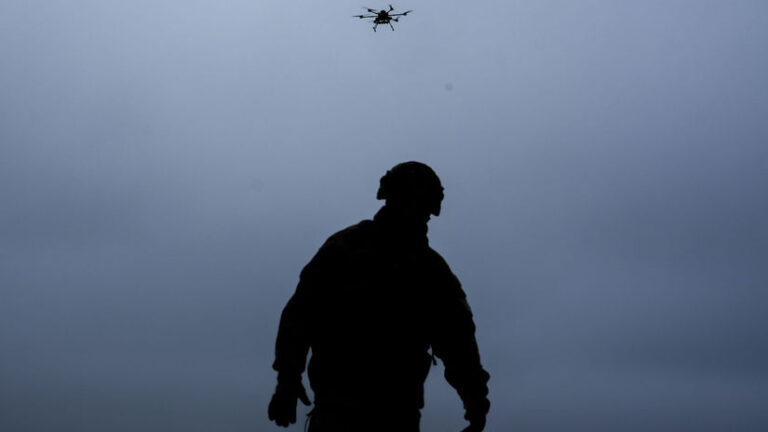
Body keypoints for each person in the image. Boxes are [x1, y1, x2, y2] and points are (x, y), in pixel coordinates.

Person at [268, 162, 490, 432]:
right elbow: (301, 315)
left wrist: (476, 402)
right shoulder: (346, 249)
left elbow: (458, 341)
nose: (416, 212)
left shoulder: (431, 270)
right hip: (340, 412)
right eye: (410, 202)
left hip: (394, 415)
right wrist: (287, 379)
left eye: (420, 205)